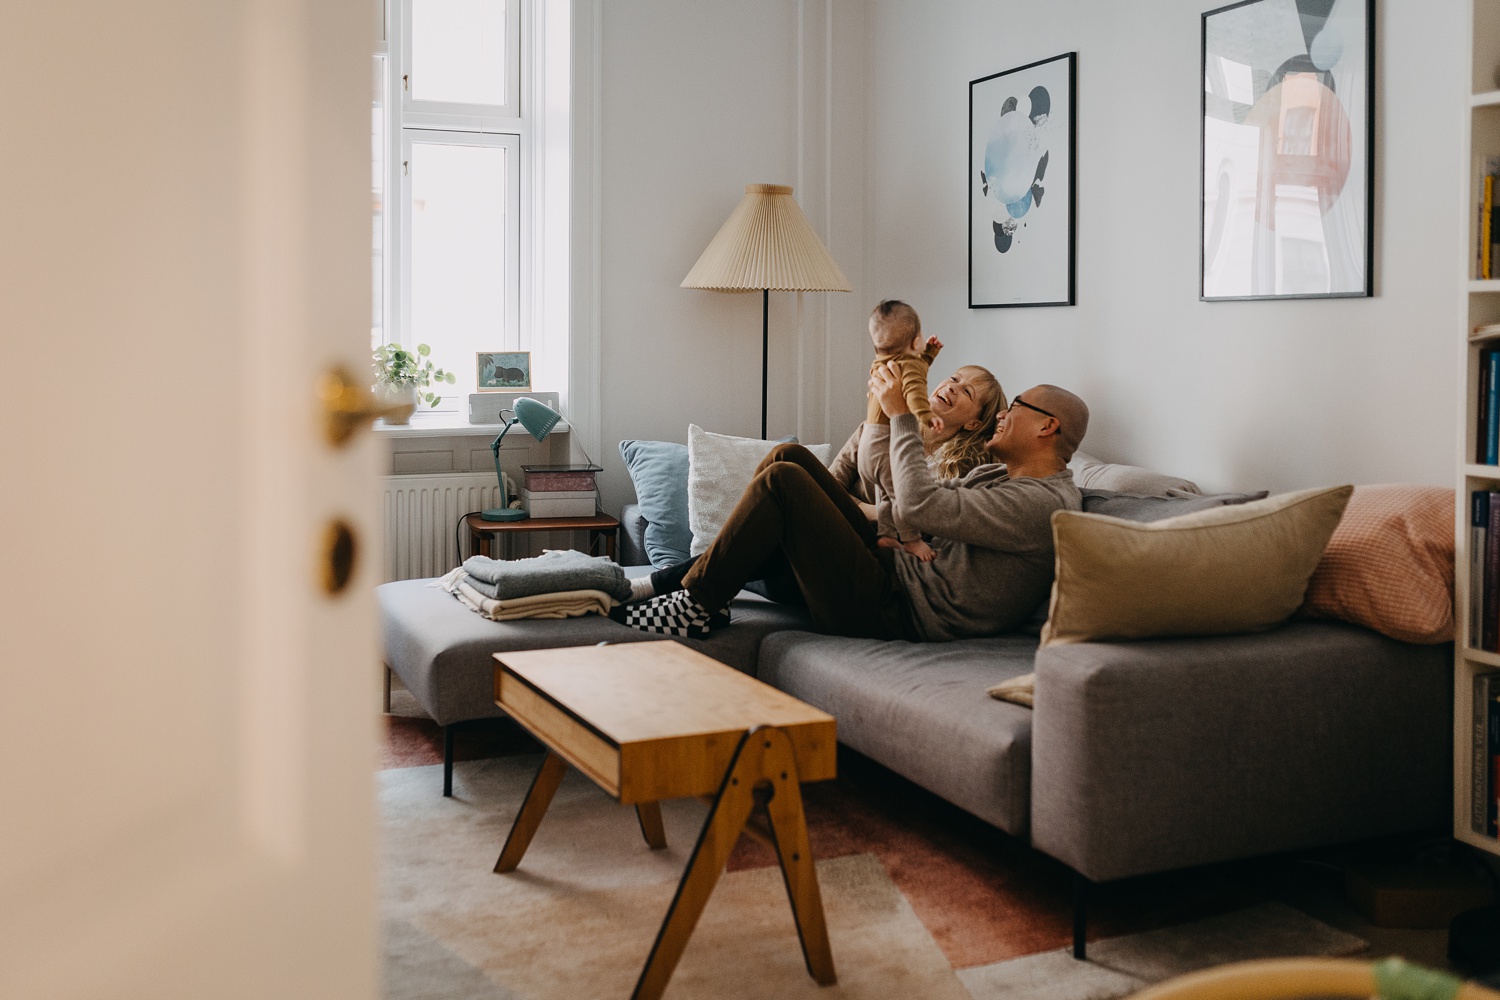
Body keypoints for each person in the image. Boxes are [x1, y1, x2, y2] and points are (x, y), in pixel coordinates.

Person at [613, 366, 1090, 642]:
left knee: (782, 479)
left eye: (1016, 407)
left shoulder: (1040, 504)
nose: (1003, 415)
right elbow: (909, 515)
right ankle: (680, 589)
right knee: (788, 457)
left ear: (1047, 427)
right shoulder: (995, 474)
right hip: (890, 570)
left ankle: (696, 602)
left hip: (898, 612)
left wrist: (899, 415)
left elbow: (920, 507)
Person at [832, 364, 1006, 562]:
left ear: (973, 424)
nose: (951, 387)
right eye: (954, 378)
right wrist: (867, 510)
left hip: (886, 554)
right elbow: (828, 484)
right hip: (838, 522)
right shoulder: (876, 429)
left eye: (967, 391)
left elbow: (928, 530)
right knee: (791, 456)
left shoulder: (964, 475)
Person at [858, 300, 944, 559]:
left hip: (867, 445)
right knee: (900, 495)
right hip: (886, 443)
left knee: (884, 494)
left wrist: (928, 355)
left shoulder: (879, 365)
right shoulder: (911, 366)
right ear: (916, 341)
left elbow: (913, 372)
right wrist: (926, 416)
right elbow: (915, 390)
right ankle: (911, 540)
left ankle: (885, 534)